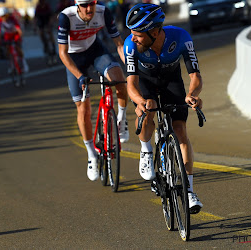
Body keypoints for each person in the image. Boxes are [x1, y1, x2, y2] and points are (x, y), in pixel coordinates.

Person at [124, 3, 203, 214]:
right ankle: (146, 151)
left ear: (154, 31)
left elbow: (195, 76)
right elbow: (131, 84)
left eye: (138, 34)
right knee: (147, 113)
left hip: (171, 81)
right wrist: (140, 101)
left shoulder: (181, 37)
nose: (133, 38)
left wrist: (192, 94)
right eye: (131, 34)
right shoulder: (130, 46)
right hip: (145, 83)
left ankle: (189, 191)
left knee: (181, 132)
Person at [58, 0, 129, 181]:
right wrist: (79, 75)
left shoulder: (103, 12)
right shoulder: (66, 17)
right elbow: (63, 53)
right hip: (74, 59)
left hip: (95, 51)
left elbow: (119, 44)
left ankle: (121, 119)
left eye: (92, 3)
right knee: (84, 108)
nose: (89, 8)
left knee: (119, 78)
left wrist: (130, 65)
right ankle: (91, 155)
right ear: (77, 6)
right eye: (85, 5)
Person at [0, 7, 29, 75]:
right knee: (8, 50)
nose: (4, 18)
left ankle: (24, 63)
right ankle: (12, 65)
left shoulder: (12, 18)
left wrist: (20, 38)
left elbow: (19, 29)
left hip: (15, 34)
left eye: (5, 16)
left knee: (18, 48)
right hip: (7, 35)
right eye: (2, 16)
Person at [35, 0, 58, 65]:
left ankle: (53, 48)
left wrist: (50, 24)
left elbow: (51, 16)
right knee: (41, 34)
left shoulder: (47, 6)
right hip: (41, 23)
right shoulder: (38, 7)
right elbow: (36, 17)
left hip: (47, 22)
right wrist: (35, 27)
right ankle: (45, 45)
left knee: (50, 34)